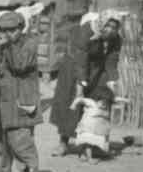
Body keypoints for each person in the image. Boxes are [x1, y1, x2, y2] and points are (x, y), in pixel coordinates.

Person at [0, 11, 44, 172]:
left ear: (21, 28)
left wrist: (8, 46)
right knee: (1, 142)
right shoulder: (4, 46)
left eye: (12, 30)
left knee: (21, 143)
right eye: (3, 31)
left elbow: (20, 65)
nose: (8, 34)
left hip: (21, 102)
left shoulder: (29, 44)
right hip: (3, 104)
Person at [51, 17, 121, 156]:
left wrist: (113, 79)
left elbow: (112, 59)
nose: (111, 30)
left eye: (114, 27)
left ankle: (91, 145)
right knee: (72, 103)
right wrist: (81, 82)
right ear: (102, 22)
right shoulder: (86, 32)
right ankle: (63, 143)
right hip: (73, 67)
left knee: (98, 102)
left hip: (96, 69)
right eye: (108, 26)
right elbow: (81, 59)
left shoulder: (116, 38)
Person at [70, 86, 114, 163]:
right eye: (102, 102)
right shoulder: (91, 103)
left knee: (90, 142)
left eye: (106, 103)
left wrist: (126, 100)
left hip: (96, 129)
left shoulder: (104, 107)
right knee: (88, 143)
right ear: (97, 98)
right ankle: (89, 158)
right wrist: (73, 105)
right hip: (87, 127)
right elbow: (80, 99)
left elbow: (116, 100)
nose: (104, 105)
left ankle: (83, 155)